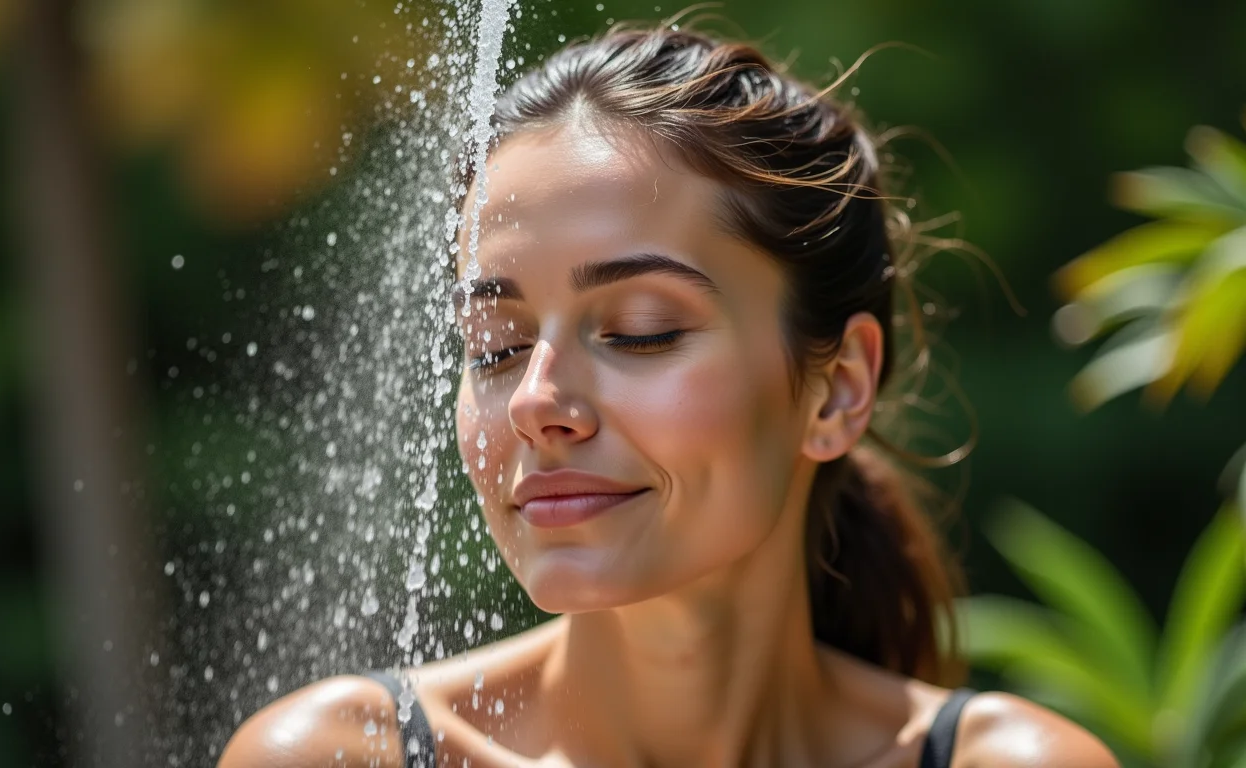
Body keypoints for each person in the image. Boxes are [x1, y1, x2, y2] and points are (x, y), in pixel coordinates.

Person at [219, 23, 1119, 768]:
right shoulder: (339, 758)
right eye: (496, 348)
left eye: (641, 330)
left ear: (838, 390)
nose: (537, 399)